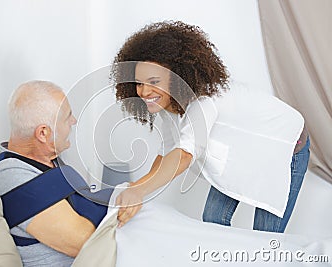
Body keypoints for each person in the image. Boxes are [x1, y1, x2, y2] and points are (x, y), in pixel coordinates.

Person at [112, 21, 310, 233]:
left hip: (285, 143)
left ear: (178, 77)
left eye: (153, 81)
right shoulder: (169, 105)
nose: (144, 91)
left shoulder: (204, 102)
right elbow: (167, 154)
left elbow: (185, 154)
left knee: (265, 233)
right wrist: (134, 189)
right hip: (245, 145)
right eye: (139, 83)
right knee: (213, 218)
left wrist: (139, 192)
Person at [0, 80, 109, 266]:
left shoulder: (48, 161)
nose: (74, 121)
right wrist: (109, 202)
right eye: (67, 117)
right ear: (43, 133)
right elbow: (84, 241)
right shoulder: (10, 175)